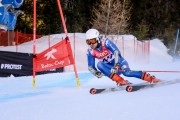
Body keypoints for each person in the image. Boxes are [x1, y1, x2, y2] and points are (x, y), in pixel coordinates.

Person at [85, 28, 160, 86]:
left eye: (92, 41)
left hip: (119, 62)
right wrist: (96, 73)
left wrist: (117, 65)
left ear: (98, 39)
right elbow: (90, 67)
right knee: (99, 65)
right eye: (88, 42)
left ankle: (150, 78)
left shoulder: (106, 42)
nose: (91, 44)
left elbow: (117, 52)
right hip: (110, 67)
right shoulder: (90, 51)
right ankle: (120, 81)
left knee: (127, 73)